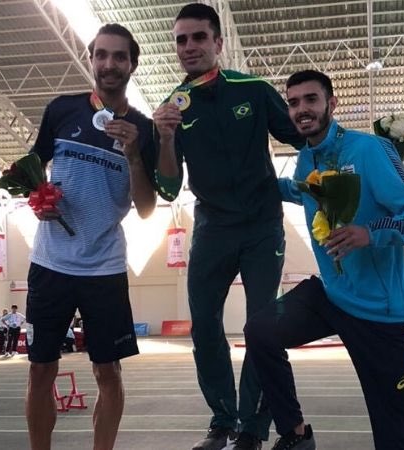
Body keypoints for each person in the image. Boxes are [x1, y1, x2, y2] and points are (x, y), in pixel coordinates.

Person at [243, 70, 404, 450]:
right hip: (330, 296)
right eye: (293, 102)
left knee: (395, 434)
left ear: (331, 104)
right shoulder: (306, 159)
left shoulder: (370, 150)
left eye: (311, 99)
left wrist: (371, 232)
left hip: (381, 314)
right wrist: (260, 185)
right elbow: (306, 191)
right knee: (261, 331)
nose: (302, 109)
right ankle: (296, 434)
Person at [152, 4, 304, 449]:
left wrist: (340, 171)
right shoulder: (172, 108)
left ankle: (253, 428)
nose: (189, 46)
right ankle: (223, 419)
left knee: (261, 327)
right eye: (181, 40)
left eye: (199, 37)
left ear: (218, 43)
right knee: (203, 326)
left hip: (262, 227)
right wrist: (165, 137)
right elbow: (168, 187)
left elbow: (303, 136)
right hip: (212, 229)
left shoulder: (253, 90)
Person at [23, 23, 157, 450]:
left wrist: (134, 155)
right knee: (40, 370)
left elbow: (147, 208)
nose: (109, 64)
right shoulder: (61, 110)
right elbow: (31, 171)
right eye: (101, 55)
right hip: (50, 263)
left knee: (108, 372)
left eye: (119, 57)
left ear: (133, 64)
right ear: (91, 59)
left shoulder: (144, 129)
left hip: (105, 267)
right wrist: (37, 198)